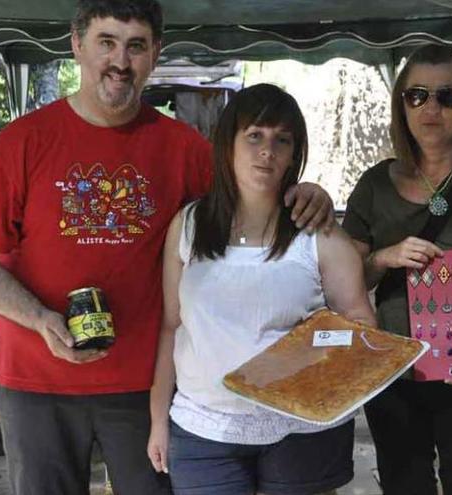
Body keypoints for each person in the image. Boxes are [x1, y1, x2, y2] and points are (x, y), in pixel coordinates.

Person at [0, 1, 333, 494]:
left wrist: (307, 192)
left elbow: (251, 199)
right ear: (77, 45)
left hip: (142, 384)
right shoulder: (25, 141)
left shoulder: (183, 148)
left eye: (136, 46)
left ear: (155, 55)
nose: (120, 61)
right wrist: (38, 318)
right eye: (106, 42)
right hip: (35, 381)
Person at [146, 83, 376, 495]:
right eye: (254, 135)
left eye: (281, 139)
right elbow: (170, 326)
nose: (267, 150)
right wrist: (158, 420)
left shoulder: (318, 234)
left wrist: (310, 360)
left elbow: (360, 327)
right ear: (228, 143)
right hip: (204, 426)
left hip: (302, 432)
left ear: (294, 154)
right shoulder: (189, 225)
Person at [342, 44, 452, 495]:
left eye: (447, 97)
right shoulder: (373, 185)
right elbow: (347, 283)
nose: (431, 108)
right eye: (417, 95)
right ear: (401, 103)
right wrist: (384, 257)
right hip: (396, 375)